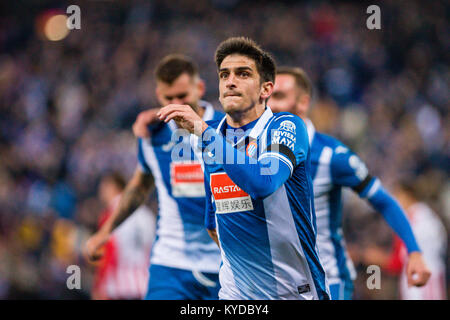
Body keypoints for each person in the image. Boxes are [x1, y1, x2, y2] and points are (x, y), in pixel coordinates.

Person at [156, 37, 330, 300]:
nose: (230, 81)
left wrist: (204, 133)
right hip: (235, 295)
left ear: (266, 89)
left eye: (243, 73)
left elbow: (264, 181)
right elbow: (213, 222)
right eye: (224, 74)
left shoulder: (286, 127)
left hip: (294, 293)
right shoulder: (210, 139)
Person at [268, 66, 431, 299]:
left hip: (327, 280)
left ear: (303, 103)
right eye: (268, 96)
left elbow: (383, 201)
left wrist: (414, 252)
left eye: (280, 96)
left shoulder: (332, 156)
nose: (270, 104)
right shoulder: (257, 154)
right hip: (279, 283)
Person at [85, 54, 223, 300]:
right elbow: (139, 186)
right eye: (169, 98)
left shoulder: (227, 128)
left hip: (224, 263)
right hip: (170, 263)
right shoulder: (152, 135)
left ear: (200, 88)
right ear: (159, 96)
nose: (177, 103)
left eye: (183, 96)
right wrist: (105, 232)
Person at [365, 180, 447, 300]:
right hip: (432, 280)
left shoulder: (410, 221)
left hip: (421, 285)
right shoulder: (428, 216)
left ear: (408, 196)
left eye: (397, 196)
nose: (394, 203)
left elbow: (398, 262)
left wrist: (375, 258)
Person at [91, 173, 156, 300]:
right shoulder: (147, 215)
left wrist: (99, 286)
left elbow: (108, 253)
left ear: (115, 187)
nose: (101, 193)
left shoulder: (111, 215)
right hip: (144, 285)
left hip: (118, 287)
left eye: (104, 188)